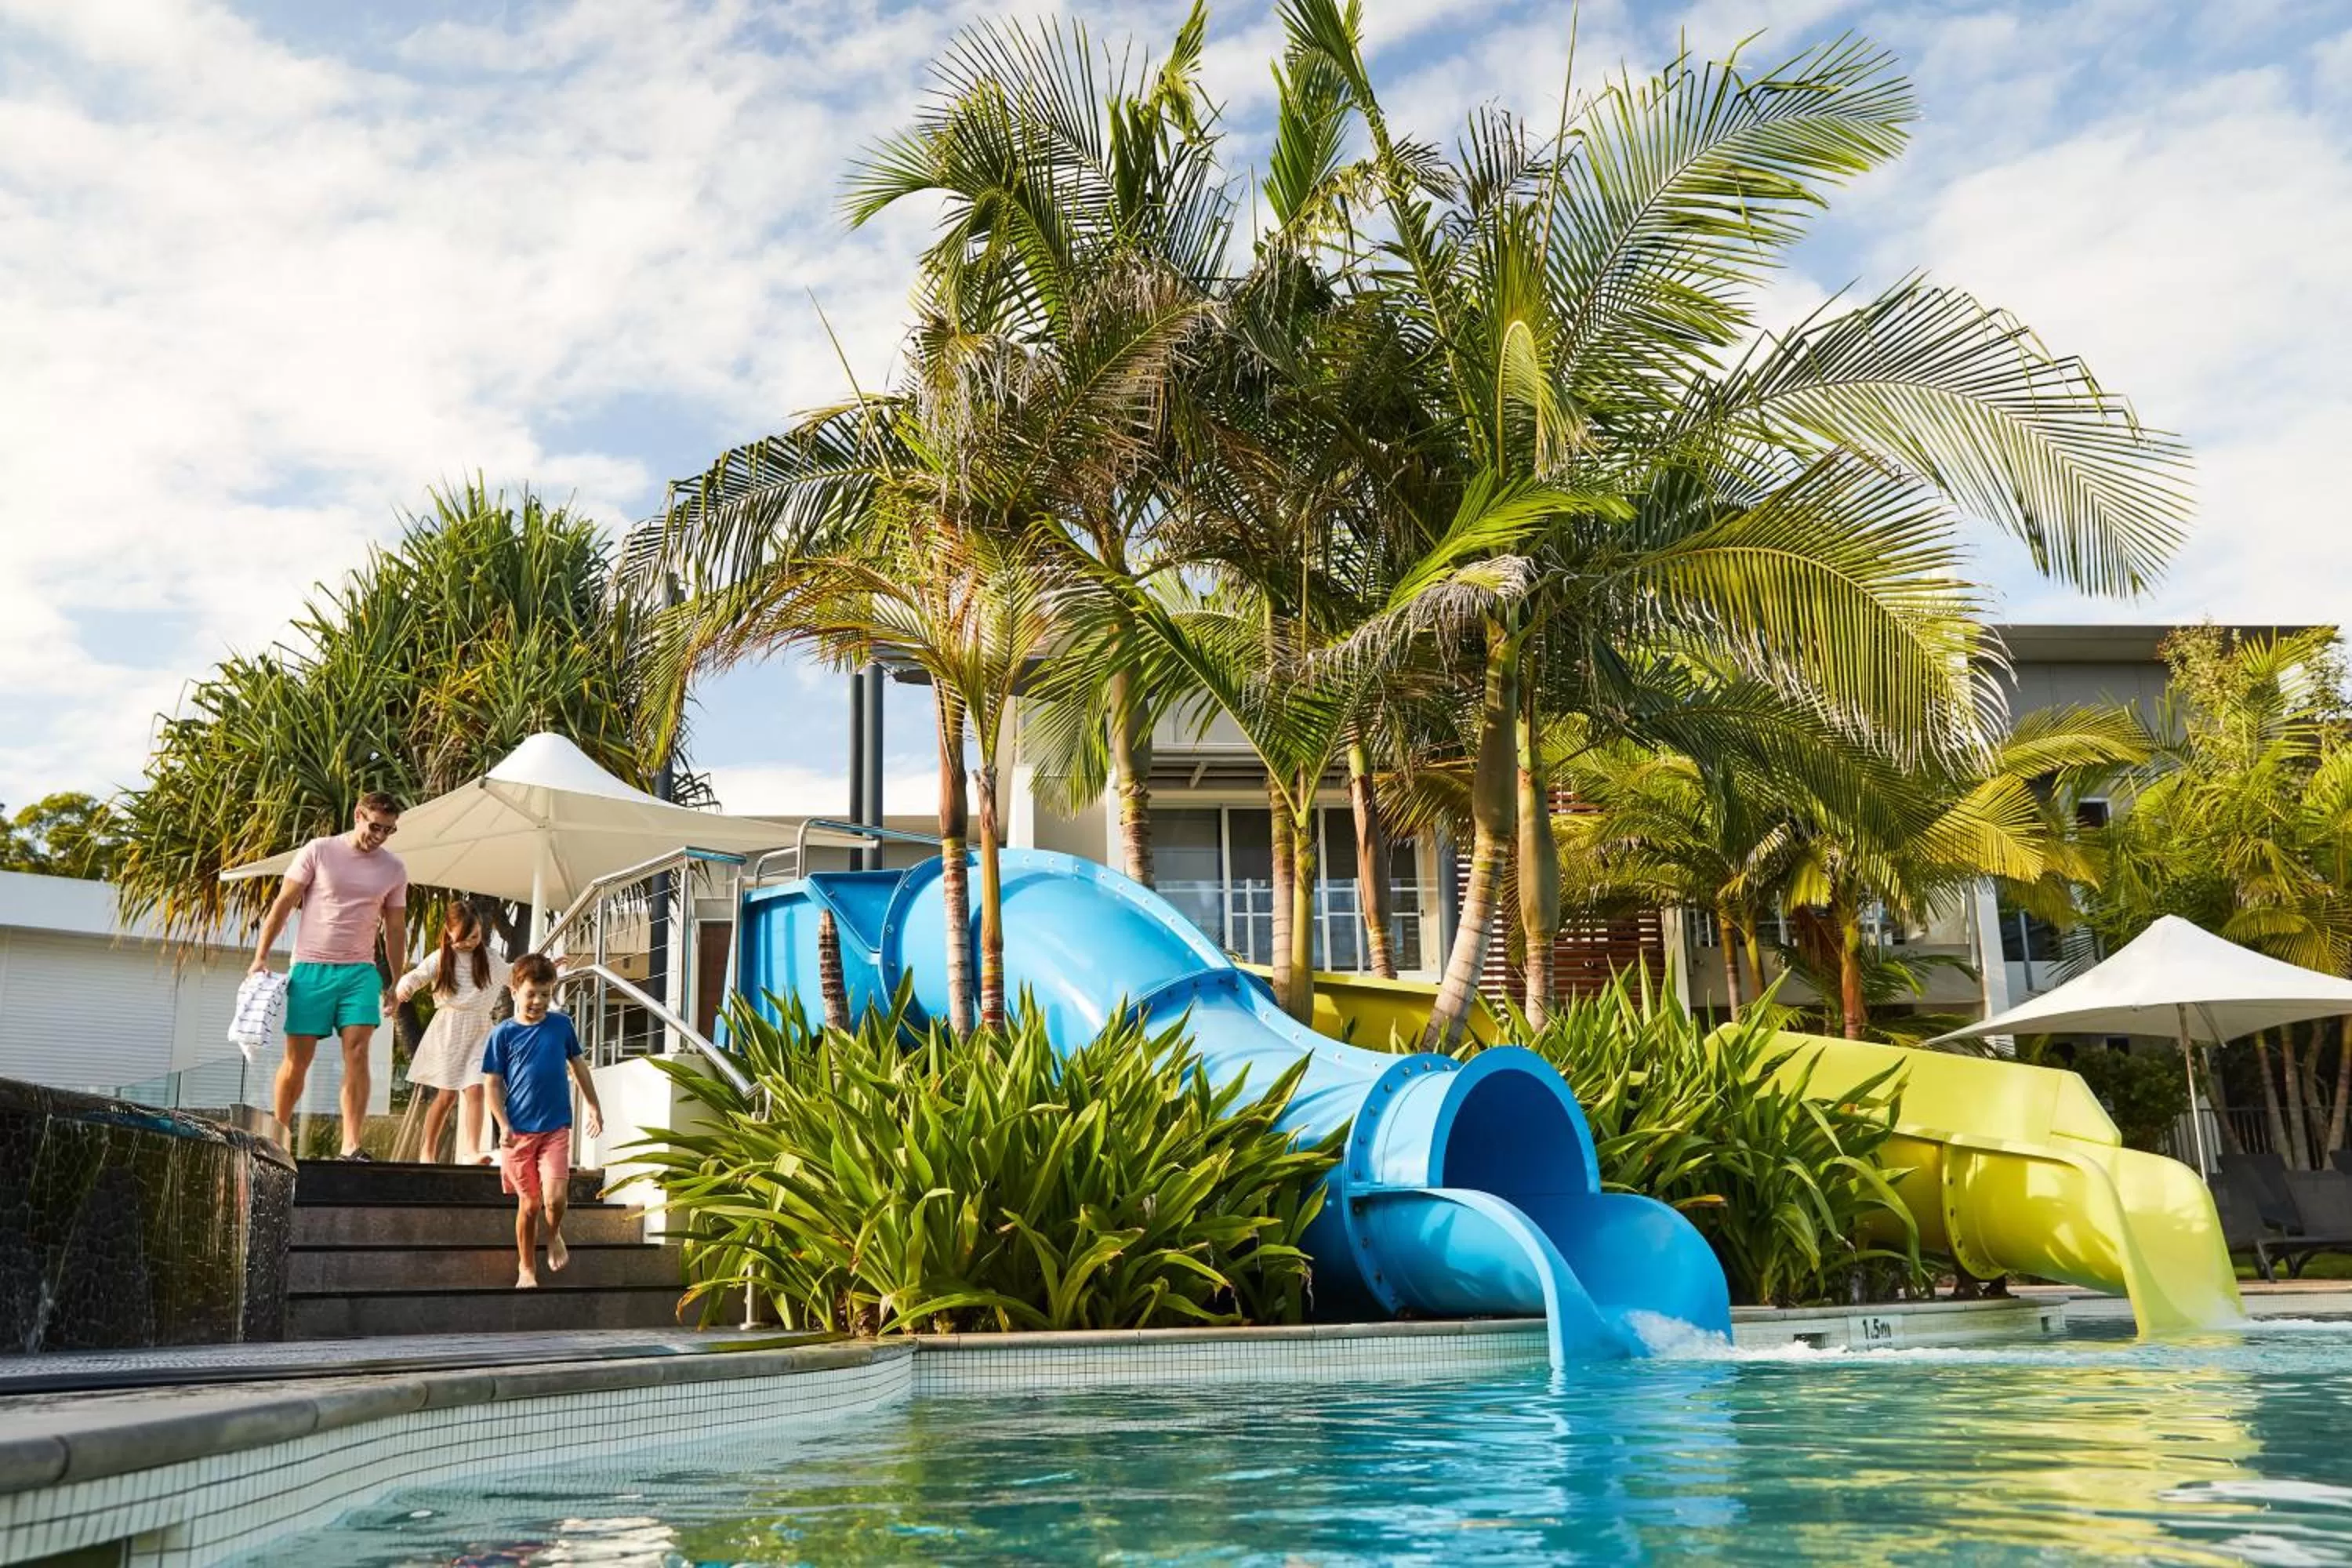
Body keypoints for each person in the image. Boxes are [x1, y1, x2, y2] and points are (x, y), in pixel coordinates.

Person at [249, 792, 408, 1158]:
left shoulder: (394, 869)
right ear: (358, 815)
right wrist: (260, 957)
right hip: (310, 969)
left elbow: (395, 928)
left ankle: (351, 1145)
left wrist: (396, 980)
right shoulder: (319, 850)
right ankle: (279, 1135)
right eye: (375, 827)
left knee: (358, 1050)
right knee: (297, 1060)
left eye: (389, 830)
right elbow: (284, 904)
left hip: (360, 972)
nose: (380, 836)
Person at [481, 953, 603, 1290]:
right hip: (518, 1132)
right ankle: (526, 1267)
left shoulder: (561, 1026)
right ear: (514, 991)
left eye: (545, 994)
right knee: (530, 1204)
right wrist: (503, 1124)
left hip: (555, 1127)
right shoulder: (503, 1034)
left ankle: (554, 1234)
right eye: (531, 994)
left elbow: (578, 1066)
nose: (538, 1001)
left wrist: (593, 1105)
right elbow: (492, 1084)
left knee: (555, 1199)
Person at [394, 902, 510, 1164]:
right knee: (446, 1096)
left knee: (476, 1088)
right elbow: (417, 976)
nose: (469, 943)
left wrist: (544, 967)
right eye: (462, 938)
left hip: (480, 1030)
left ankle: (472, 1150)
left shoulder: (490, 958)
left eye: (475, 936)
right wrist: (405, 987)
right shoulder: (440, 957)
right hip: (448, 1031)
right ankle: (428, 1151)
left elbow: (514, 974)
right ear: (448, 931)